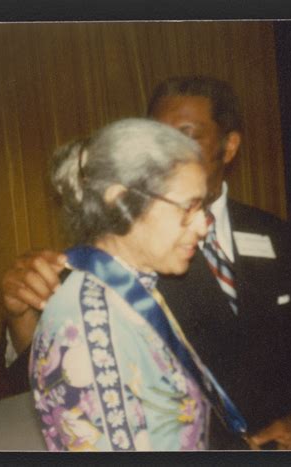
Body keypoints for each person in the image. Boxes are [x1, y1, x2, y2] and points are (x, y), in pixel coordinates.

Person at [0, 76, 291, 450]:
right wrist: (20, 318)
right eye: (156, 135)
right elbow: (47, 378)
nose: (165, 150)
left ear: (229, 145)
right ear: (123, 198)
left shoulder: (269, 231)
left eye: (186, 135)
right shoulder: (111, 270)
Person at [30, 118, 217, 450]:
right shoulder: (90, 329)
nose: (203, 226)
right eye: (189, 207)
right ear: (121, 202)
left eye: (202, 207)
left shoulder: (130, 289)